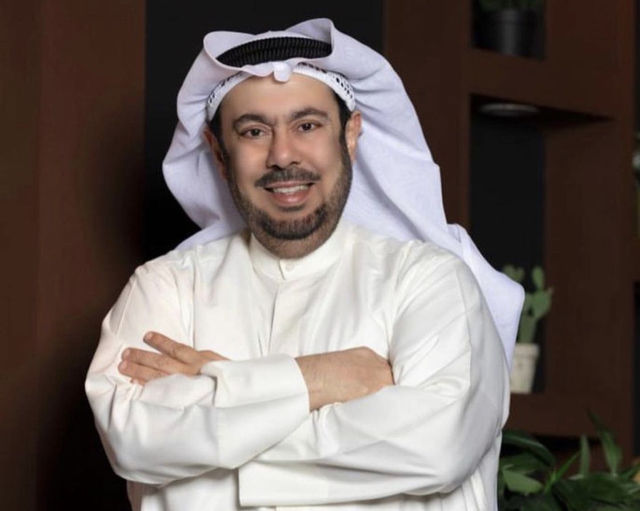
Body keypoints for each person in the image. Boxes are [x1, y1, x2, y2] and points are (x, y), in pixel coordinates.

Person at [86, 18, 523, 511]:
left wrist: (221, 406)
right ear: (219, 154)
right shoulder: (165, 286)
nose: (282, 155)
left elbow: (439, 447)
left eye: (307, 125)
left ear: (350, 135)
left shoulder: (430, 280)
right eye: (254, 131)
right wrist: (320, 378)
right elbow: (134, 440)